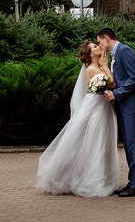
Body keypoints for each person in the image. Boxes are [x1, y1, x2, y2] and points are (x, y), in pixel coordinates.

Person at [35, 40, 119, 197]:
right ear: (90, 54)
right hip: (95, 108)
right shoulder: (92, 69)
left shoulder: (99, 67)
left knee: (102, 141)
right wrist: (105, 65)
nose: (98, 47)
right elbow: (112, 83)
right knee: (95, 141)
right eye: (95, 47)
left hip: (102, 107)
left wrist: (104, 66)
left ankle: (102, 178)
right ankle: (93, 181)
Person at [96, 27, 135, 197]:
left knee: (132, 144)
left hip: (132, 105)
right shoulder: (116, 53)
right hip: (126, 104)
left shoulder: (124, 51)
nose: (99, 45)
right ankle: (133, 182)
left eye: (99, 41)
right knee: (129, 144)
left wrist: (116, 94)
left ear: (106, 38)